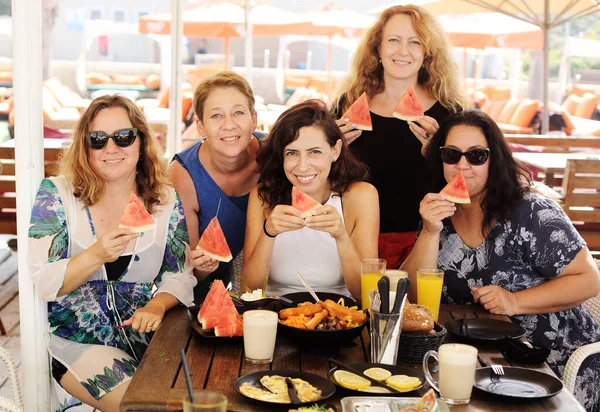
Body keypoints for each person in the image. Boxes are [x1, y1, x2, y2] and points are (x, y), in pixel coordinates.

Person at [402, 109, 600, 412]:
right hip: (484, 363)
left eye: (477, 156)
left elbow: (589, 279)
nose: (462, 166)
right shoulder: (439, 210)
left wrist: (515, 301)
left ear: (495, 160)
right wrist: (429, 231)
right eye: (452, 154)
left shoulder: (531, 212)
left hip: (556, 360)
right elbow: (415, 296)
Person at [28, 95, 197, 411]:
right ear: (85, 146)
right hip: (78, 343)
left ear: (140, 141)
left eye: (123, 136)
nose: (111, 148)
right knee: (146, 407)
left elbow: (179, 273)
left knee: (196, 400)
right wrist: (94, 254)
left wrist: (159, 305)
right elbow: (43, 281)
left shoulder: (165, 201)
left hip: (149, 341)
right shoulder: (57, 195)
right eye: (97, 139)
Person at [331, 5, 465, 269]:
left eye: (415, 42)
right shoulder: (345, 106)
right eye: (393, 40)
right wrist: (333, 153)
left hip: (426, 241)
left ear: (426, 53)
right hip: (352, 236)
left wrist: (440, 156)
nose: (403, 51)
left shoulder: (449, 112)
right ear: (377, 48)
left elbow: (467, 181)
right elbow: (320, 177)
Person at [242, 100, 379, 299]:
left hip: (339, 319)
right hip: (276, 316)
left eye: (315, 152)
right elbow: (248, 290)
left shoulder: (361, 196)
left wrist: (341, 236)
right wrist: (268, 233)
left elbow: (366, 295)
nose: (303, 166)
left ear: (335, 150)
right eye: (292, 153)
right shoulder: (263, 196)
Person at [169, 71, 262, 298]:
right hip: (203, 287)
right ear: (200, 126)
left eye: (238, 112)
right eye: (217, 116)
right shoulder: (183, 173)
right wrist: (200, 265)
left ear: (254, 119)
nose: (229, 125)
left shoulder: (276, 154)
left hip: (267, 279)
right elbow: (187, 272)